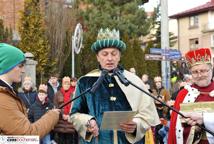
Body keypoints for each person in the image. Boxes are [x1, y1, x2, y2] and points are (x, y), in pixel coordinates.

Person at [68, 28, 160, 144]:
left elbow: (147, 113)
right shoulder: (85, 81)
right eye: (105, 54)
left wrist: (136, 124)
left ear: (119, 56)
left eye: (114, 54)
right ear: (98, 57)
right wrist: (87, 122)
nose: (110, 58)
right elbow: (74, 114)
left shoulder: (134, 81)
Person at [0, 43, 60, 138]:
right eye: (20, 66)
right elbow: (28, 136)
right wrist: (52, 116)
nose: (23, 70)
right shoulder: (2, 98)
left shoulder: (6, 92)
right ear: (7, 66)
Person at [168, 48, 214, 144]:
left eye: (203, 70)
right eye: (195, 72)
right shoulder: (183, 94)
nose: (200, 75)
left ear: (211, 69)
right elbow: (175, 129)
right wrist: (193, 129)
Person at [53, 76, 78, 144]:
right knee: (61, 140)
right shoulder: (57, 94)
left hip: (70, 121)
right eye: (65, 83)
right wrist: (62, 114)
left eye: (68, 83)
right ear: (62, 84)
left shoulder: (74, 94)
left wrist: (69, 115)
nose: (66, 85)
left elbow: (76, 106)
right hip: (60, 121)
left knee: (70, 140)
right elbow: (55, 106)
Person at [151, 76, 171, 144]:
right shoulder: (152, 91)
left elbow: (168, 102)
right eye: (156, 82)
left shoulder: (165, 91)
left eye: (159, 81)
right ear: (154, 83)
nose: (158, 83)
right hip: (155, 113)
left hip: (163, 114)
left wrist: (164, 108)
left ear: (161, 82)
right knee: (155, 132)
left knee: (163, 132)